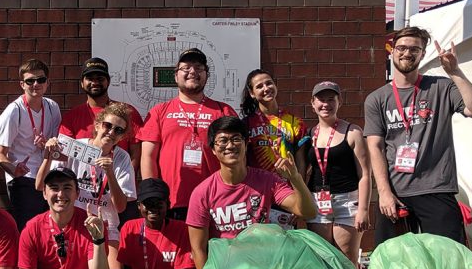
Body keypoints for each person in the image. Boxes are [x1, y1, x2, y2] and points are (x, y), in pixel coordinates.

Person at [364, 26, 472, 245]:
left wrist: (455, 72)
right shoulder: (377, 99)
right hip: (395, 194)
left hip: (437, 190)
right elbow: (375, 147)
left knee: (448, 262)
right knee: (394, 264)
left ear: (423, 54)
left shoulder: (441, 87)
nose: (407, 53)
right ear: (391, 51)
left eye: (415, 49)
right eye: (401, 48)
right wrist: (383, 192)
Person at [186, 116, 317, 269]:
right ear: (213, 149)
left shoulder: (267, 180)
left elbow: (308, 212)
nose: (230, 145)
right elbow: (198, 249)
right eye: (222, 140)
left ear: (246, 144)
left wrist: (295, 178)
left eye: (236, 139)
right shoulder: (202, 193)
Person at [37, 101, 136, 269]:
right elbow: (43, 185)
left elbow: (121, 207)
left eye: (119, 130)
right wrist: (50, 152)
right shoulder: (76, 147)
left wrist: (110, 173)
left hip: (106, 225)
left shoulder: (122, 158)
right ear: (97, 125)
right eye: (108, 126)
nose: (111, 132)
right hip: (75, 222)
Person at [139, 48, 238, 220]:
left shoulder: (224, 110)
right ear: (176, 75)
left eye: (199, 67)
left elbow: (238, 156)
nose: (193, 71)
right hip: (172, 202)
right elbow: (148, 156)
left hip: (217, 201)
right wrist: (152, 195)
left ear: (207, 75)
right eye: (186, 68)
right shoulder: (159, 111)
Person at [59, 57, 145, 223]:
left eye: (100, 78)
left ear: (108, 81)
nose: (95, 82)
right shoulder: (71, 117)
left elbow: (135, 153)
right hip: (81, 200)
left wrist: (122, 181)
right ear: (82, 83)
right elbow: (64, 157)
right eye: (90, 78)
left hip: (116, 193)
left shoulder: (128, 113)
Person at [298, 81, 372, 266]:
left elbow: (364, 175)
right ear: (312, 103)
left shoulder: (353, 131)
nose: (326, 104)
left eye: (331, 99)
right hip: (317, 203)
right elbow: (300, 173)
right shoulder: (308, 134)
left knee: (347, 259)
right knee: (322, 259)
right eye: (321, 99)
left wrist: (363, 210)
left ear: (340, 102)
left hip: (347, 203)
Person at [0, 58, 62, 232]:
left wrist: (47, 145)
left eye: (40, 80)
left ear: (47, 83)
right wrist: (14, 170)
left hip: (47, 176)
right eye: (30, 81)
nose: (36, 84)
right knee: (29, 231)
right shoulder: (14, 111)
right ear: (22, 84)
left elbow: (56, 144)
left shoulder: (52, 107)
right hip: (23, 180)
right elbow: (0, 154)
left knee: (49, 229)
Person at [241, 69, 309, 229]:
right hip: (257, 193)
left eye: (269, 83)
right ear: (252, 93)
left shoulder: (295, 122)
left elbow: (302, 165)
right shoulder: (245, 125)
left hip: (286, 194)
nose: (266, 88)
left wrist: (300, 196)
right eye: (259, 86)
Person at [117, 178, 195, 269]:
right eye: (148, 204)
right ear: (138, 206)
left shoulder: (180, 229)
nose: (153, 209)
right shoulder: (129, 228)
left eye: (158, 203)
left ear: (168, 205)